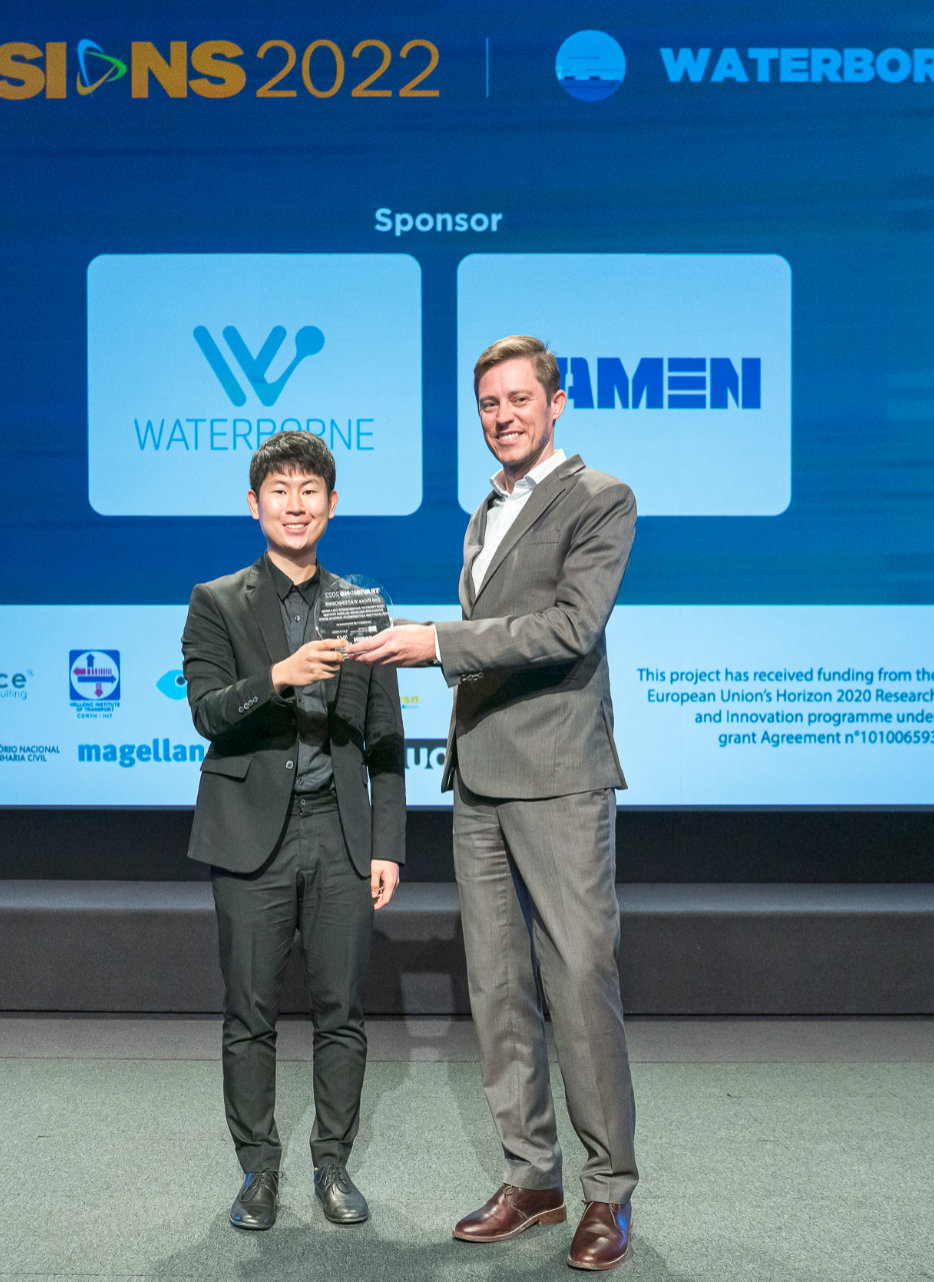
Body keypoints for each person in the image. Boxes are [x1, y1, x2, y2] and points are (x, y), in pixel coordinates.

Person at [349, 335, 638, 1270]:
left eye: (518, 399)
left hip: (559, 774)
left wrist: (436, 643)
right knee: (499, 988)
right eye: (488, 404)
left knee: (579, 982)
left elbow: (570, 627)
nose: (503, 416)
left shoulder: (600, 499)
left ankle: (607, 1194)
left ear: (556, 403)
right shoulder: (486, 510)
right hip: (477, 778)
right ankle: (533, 1179)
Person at [180, 430, 406, 1231]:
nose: (296, 504)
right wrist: (276, 677)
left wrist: (386, 844)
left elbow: (385, 737)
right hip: (251, 838)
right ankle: (258, 1171)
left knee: (342, 1008)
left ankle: (332, 1165)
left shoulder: (361, 605)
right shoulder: (217, 601)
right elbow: (206, 711)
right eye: (280, 490)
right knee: (250, 1012)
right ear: (255, 504)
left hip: (340, 836)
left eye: (310, 490)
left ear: (331, 505)